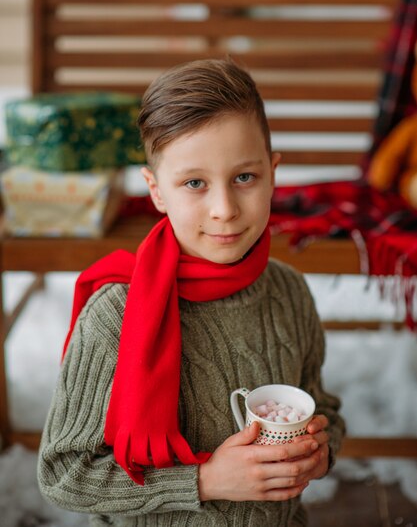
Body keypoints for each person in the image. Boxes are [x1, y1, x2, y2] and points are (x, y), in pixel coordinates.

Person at [38, 58, 345, 526]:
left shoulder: (288, 291)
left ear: (272, 172)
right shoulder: (115, 315)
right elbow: (63, 474)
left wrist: (321, 448)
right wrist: (204, 481)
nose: (224, 209)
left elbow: (321, 405)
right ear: (157, 190)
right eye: (194, 183)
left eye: (244, 177)